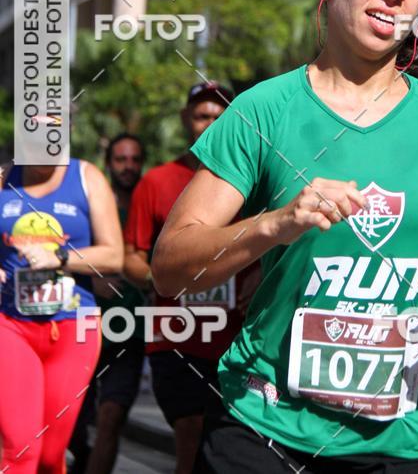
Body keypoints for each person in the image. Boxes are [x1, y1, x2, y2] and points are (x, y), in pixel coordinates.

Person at [152, 0, 418, 473]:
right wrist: (276, 222)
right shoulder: (262, 111)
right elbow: (170, 266)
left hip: (410, 437)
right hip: (268, 427)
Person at [124, 82, 260, 474]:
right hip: (176, 335)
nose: (211, 123)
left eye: (220, 116)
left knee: (222, 444)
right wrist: (163, 275)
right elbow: (132, 256)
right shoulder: (156, 182)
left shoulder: (254, 177)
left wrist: (260, 276)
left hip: (237, 340)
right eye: (202, 115)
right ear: (187, 120)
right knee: (189, 430)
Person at [0, 157, 123, 473]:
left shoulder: (87, 178)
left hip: (73, 331)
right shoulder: (3, 176)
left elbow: (114, 256)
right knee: (20, 448)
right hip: (11, 326)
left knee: (50, 457)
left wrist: (59, 256)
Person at [70, 133, 148, 474]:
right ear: (108, 164)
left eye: (134, 159)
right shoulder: (89, 206)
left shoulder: (151, 204)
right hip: (82, 329)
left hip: (129, 334)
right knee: (70, 420)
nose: (128, 167)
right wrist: (91, 276)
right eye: (121, 160)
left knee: (111, 416)